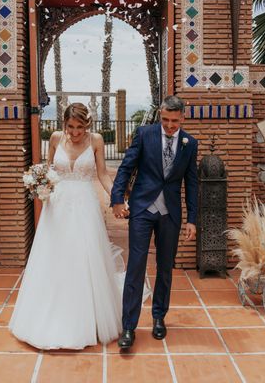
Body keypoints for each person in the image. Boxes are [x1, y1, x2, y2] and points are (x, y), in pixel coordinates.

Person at [9, 102, 126, 349]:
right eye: (70, 127)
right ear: (64, 124)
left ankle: (86, 319)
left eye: (80, 128)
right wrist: (39, 184)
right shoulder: (54, 138)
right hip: (58, 206)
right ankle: (49, 316)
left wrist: (117, 199)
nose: (74, 133)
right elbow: (48, 169)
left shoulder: (95, 141)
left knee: (84, 258)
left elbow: (103, 174)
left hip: (85, 207)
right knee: (55, 258)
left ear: (88, 125)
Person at [111, 95, 198, 349]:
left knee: (164, 267)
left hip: (170, 213)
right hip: (141, 209)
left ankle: (159, 317)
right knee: (136, 266)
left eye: (174, 121)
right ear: (160, 115)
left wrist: (192, 219)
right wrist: (117, 198)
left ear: (183, 117)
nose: (169, 126)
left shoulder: (190, 143)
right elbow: (126, 168)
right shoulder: (144, 134)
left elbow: (191, 183)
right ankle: (129, 326)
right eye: (165, 120)